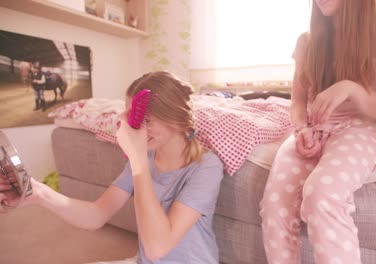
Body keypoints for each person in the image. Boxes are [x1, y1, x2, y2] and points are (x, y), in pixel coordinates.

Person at [0, 71, 224, 263]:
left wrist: (137, 159)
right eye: (134, 118)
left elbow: (157, 247)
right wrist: (39, 193)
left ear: (175, 117)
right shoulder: (144, 159)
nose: (136, 128)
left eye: (147, 119)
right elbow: (97, 215)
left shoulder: (205, 166)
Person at [259, 0, 376, 263]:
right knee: (274, 208)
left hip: (359, 127)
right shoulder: (307, 42)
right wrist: (300, 129)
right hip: (311, 127)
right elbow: (298, 102)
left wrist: (352, 89)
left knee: (321, 196)